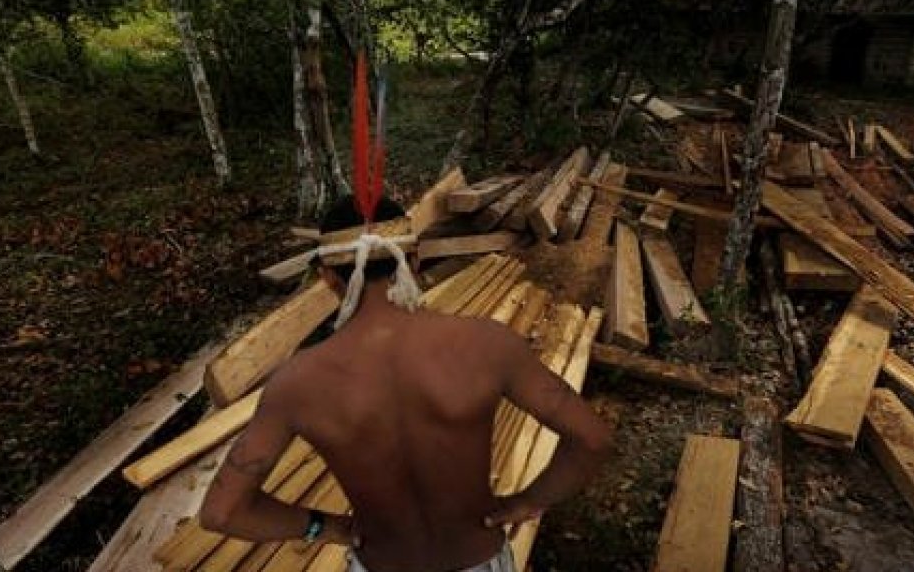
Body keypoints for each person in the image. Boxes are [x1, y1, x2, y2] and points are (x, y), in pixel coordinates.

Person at [199, 195, 613, 572]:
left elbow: (222, 512)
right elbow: (592, 438)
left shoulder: (297, 382)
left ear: (327, 277)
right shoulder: (486, 344)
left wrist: (326, 528)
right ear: (412, 261)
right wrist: (528, 501)